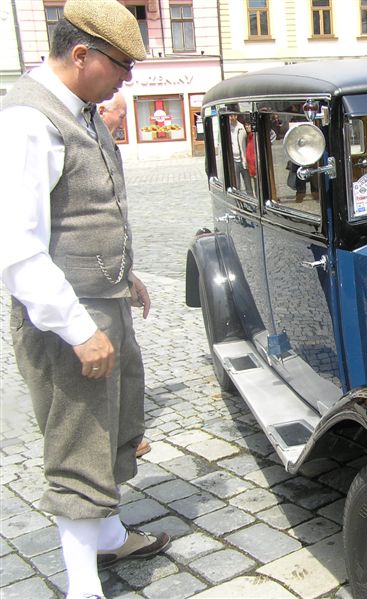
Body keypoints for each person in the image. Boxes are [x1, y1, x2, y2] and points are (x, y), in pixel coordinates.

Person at [0, 2, 169, 598]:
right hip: (67, 317)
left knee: (116, 426)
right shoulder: (28, 120)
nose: (128, 78)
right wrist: (77, 329)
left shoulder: (82, 111)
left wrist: (125, 276)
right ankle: (82, 586)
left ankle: (108, 535)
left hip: (103, 300)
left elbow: (84, 214)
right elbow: (16, 245)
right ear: (81, 54)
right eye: (121, 65)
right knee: (79, 443)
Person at [98, 92, 152, 459]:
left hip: (114, 277)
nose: (123, 122)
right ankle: (106, 447)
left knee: (128, 363)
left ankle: (126, 438)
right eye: (120, 114)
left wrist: (128, 274)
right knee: (105, 370)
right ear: (104, 110)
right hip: (89, 288)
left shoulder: (105, 145)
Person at [230, 114, 251, 194]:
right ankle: (238, 200)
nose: (231, 117)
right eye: (230, 116)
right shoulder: (227, 128)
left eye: (233, 115)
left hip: (243, 159)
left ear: (236, 116)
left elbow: (246, 141)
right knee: (236, 185)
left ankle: (251, 199)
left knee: (248, 184)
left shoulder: (241, 127)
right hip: (233, 160)